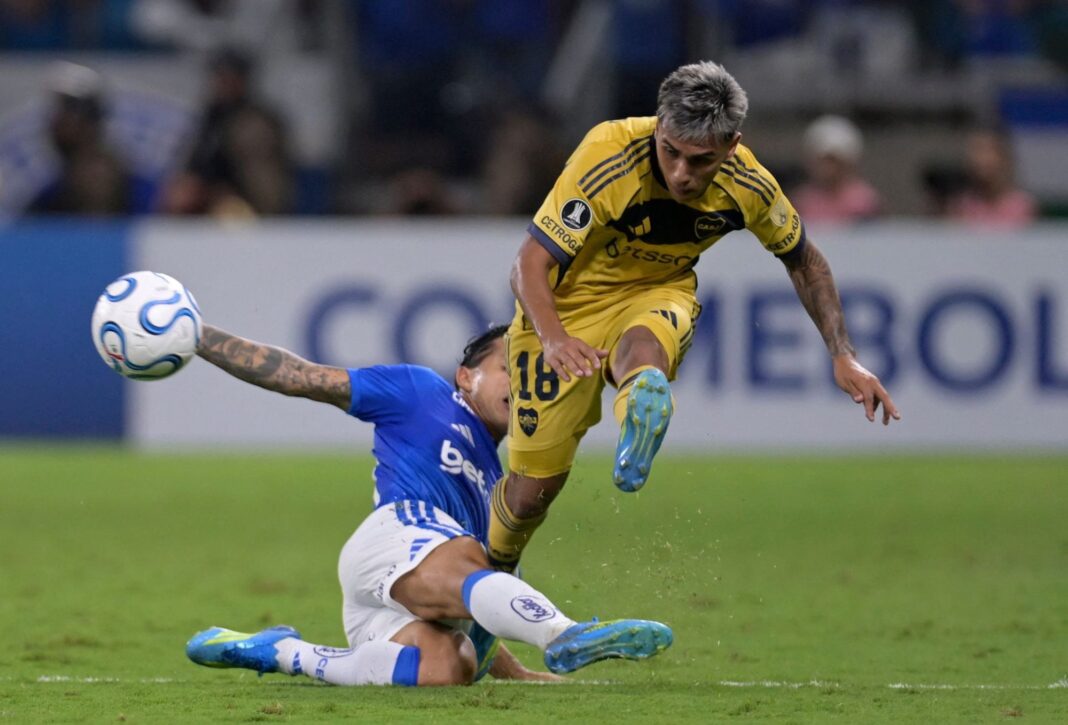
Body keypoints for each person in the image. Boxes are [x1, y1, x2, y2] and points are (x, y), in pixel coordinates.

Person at [488, 61, 901, 573]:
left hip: (657, 290)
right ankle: (493, 569)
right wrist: (552, 338)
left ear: (731, 146)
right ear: (659, 128)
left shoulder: (749, 184)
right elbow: (529, 262)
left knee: (645, 349)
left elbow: (806, 260)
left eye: (701, 161)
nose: (682, 174)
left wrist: (844, 355)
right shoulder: (607, 153)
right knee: (531, 494)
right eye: (672, 153)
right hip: (563, 306)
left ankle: (640, 404)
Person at [184, 322, 672, 686]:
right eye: (509, 368)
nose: (523, 385)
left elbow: (479, 602)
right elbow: (300, 376)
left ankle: (285, 653)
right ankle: (562, 633)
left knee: (448, 667)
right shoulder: (421, 392)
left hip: (390, 608)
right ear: (465, 376)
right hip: (392, 535)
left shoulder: (499, 488)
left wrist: (518, 676)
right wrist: (199, 337)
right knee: (472, 559)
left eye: (531, 373)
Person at [791, 115, 882, 224]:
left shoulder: (865, 202)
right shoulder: (802, 202)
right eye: (821, 160)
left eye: (832, 161)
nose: (826, 168)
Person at [944, 126, 1037, 228]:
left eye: (987, 151)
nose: (980, 160)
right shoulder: (960, 207)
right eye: (976, 151)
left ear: (1004, 158)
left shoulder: (1022, 206)